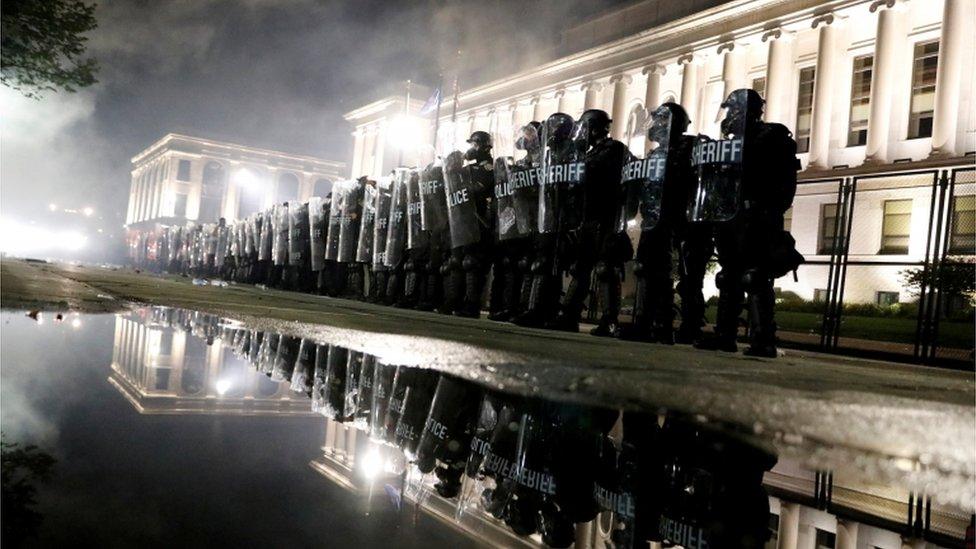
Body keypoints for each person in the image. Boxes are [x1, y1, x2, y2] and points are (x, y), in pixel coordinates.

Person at [693, 89, 802, 357]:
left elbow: (783, 181)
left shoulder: (771, 137)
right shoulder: (731, 145)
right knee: (728, 276)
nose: (729, 116)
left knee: (755, 276)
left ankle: (763, 339)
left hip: (758, 217)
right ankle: (725, 336)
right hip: (730, 217)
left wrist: (768, 209)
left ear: (745, 111)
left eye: (732, 110)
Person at [548, 109, 630, 335]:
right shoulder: (589, 152)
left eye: (584, 128)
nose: (581, 134)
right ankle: (568, 315)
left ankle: (610, 320)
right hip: (587, 219)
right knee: (580, 268)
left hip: (607, 218)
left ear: (594, 128)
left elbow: (596, 174)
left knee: (605, 268)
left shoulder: (614, 149)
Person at [443, 131, 495, 318]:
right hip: (461, 222)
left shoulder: (488, 168)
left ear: (484, 146)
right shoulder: (468, 170)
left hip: (478, 222)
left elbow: (478, 190)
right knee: (456, 261)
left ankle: (471, 304)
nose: (471, 149)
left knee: (472, 263)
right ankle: (453, 300)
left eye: (475, 145)